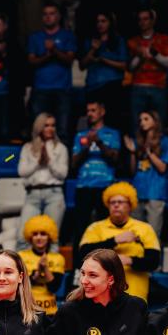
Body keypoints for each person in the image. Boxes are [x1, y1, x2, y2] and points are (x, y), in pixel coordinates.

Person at [77, 182, 161, 301]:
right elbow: (83, 254)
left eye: (121, 202)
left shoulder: (145, 228)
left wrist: (129, 260)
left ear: (130, 205)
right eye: (112, 202)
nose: (116, 205)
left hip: (135, 296)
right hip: (101, 296)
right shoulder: (95, 228)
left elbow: (154, 262)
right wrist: (115, 240)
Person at [67, 101, 121, 249]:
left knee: (105, 227)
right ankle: (78, 262)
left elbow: (115, 158)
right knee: (80, 227)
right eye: (88, 111)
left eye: (93, 110)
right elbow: (74, 163)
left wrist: (99, 142)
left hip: (105, 186)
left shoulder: (112, 134)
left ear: (102, 112)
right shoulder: (80, 135)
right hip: (83, 186)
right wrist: (86, 146)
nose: (90, 114)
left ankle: (105, 259)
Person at [26, 3, 76, 141]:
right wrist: (48, 55)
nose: (48, 17)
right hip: (40, 89)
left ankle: (61, 155)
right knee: (39, 130)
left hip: (62, 89)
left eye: (52, 13)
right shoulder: (35, 37)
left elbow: (69, 59)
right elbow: (31, 61)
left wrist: (54, 50)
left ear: (58, 16)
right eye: (45, 14)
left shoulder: (67, 36)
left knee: (63, 131)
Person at [18, 113, 68, 238]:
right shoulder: (28, 147)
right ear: (39, 127)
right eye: (46, 125)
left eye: (53, 125)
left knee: (52, 237)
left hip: (54, 194)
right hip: (32, 194)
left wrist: (49, 161)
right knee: (23, 236)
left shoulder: (61, 148)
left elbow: (63, 174)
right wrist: (37, 161)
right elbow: (22, 172)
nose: (50, 128)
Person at [124, 110, 168, 236]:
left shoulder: (164, 141)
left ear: (155, 122)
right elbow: (132, 171)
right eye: (140, 120)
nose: (142, 122)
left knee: (152, 234)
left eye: (146, 119)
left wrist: (149, 153)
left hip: (155, 193)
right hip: (137, 193)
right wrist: (132, 152)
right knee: (135, 234)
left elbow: (162, 168)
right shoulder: (138, 141)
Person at [127, 8, 168, 126]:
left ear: (152, 21)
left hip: (158, 86)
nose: (142, 22)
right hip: (138, 86)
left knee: (159, 124)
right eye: (140, 19)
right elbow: (131, 67)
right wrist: (140, 55)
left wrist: (154, 54)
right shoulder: (133, 41)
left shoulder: (163, 39)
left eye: (145, 19)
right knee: (137, 124)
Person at [80, 11, 128, 116]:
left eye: (103, 21)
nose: (100, 24)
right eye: (98, 21)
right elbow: (82, 65)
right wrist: (93, 49)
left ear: (110, 23)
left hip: (112, 85)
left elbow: (124, 65)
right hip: (93, 85)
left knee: (112, 117)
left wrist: (104, 60)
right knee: (93, 117)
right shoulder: (90, 40)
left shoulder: (118, 41)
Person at [19, 215, 66, 317]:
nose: (39, 237)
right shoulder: (21, 256)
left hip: (50, 312)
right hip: (28, 310)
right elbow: (21, 284)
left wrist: (45, 268)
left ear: (49, 236)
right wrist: (37, 273)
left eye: (43, 234)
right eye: (35, 234)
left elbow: (54, 287)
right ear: (30, 237)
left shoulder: (58, 258)